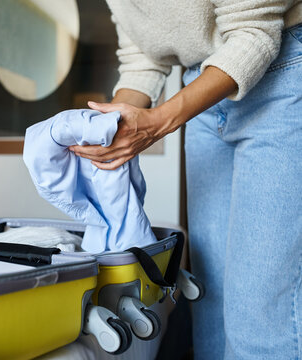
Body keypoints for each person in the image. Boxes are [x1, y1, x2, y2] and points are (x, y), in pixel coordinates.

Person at [68, 1, 302, 359]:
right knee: (210, 300)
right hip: (203, 89)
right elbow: (142, 57)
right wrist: (106, 128)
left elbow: (255, 32)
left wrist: (158, 122)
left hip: (279, 74)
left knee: (259, 315)